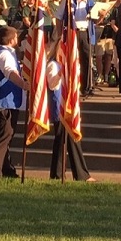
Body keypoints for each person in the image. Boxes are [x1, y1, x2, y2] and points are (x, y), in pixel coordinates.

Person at [0, 26, 30, 179]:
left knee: (6, 136)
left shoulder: (4, 52)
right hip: (2, 103)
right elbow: (10, 72)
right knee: (3, 136)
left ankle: (7, 169)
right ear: (11, 39)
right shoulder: (4, 54)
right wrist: (23, 84)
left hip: (7, 102)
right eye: (16, 37)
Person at [46, 39, 96, 182]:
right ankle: (78, 174)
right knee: (64, 140)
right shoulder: (53, 65)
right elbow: (52, 84)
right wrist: (62, 72)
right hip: (59, 108)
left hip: (68, 108)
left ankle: (60, 174)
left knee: (65, 141)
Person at [55, 0, 95, 96]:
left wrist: (101, 15)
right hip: (72, 32)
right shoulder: (68, 0)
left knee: (86, 60)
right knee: (71, 59)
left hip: (85, 33)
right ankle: (70, 86)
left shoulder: (91, 2)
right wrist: (59, 34)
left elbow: (96, 21)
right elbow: (58, 17)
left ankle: (86, 87)